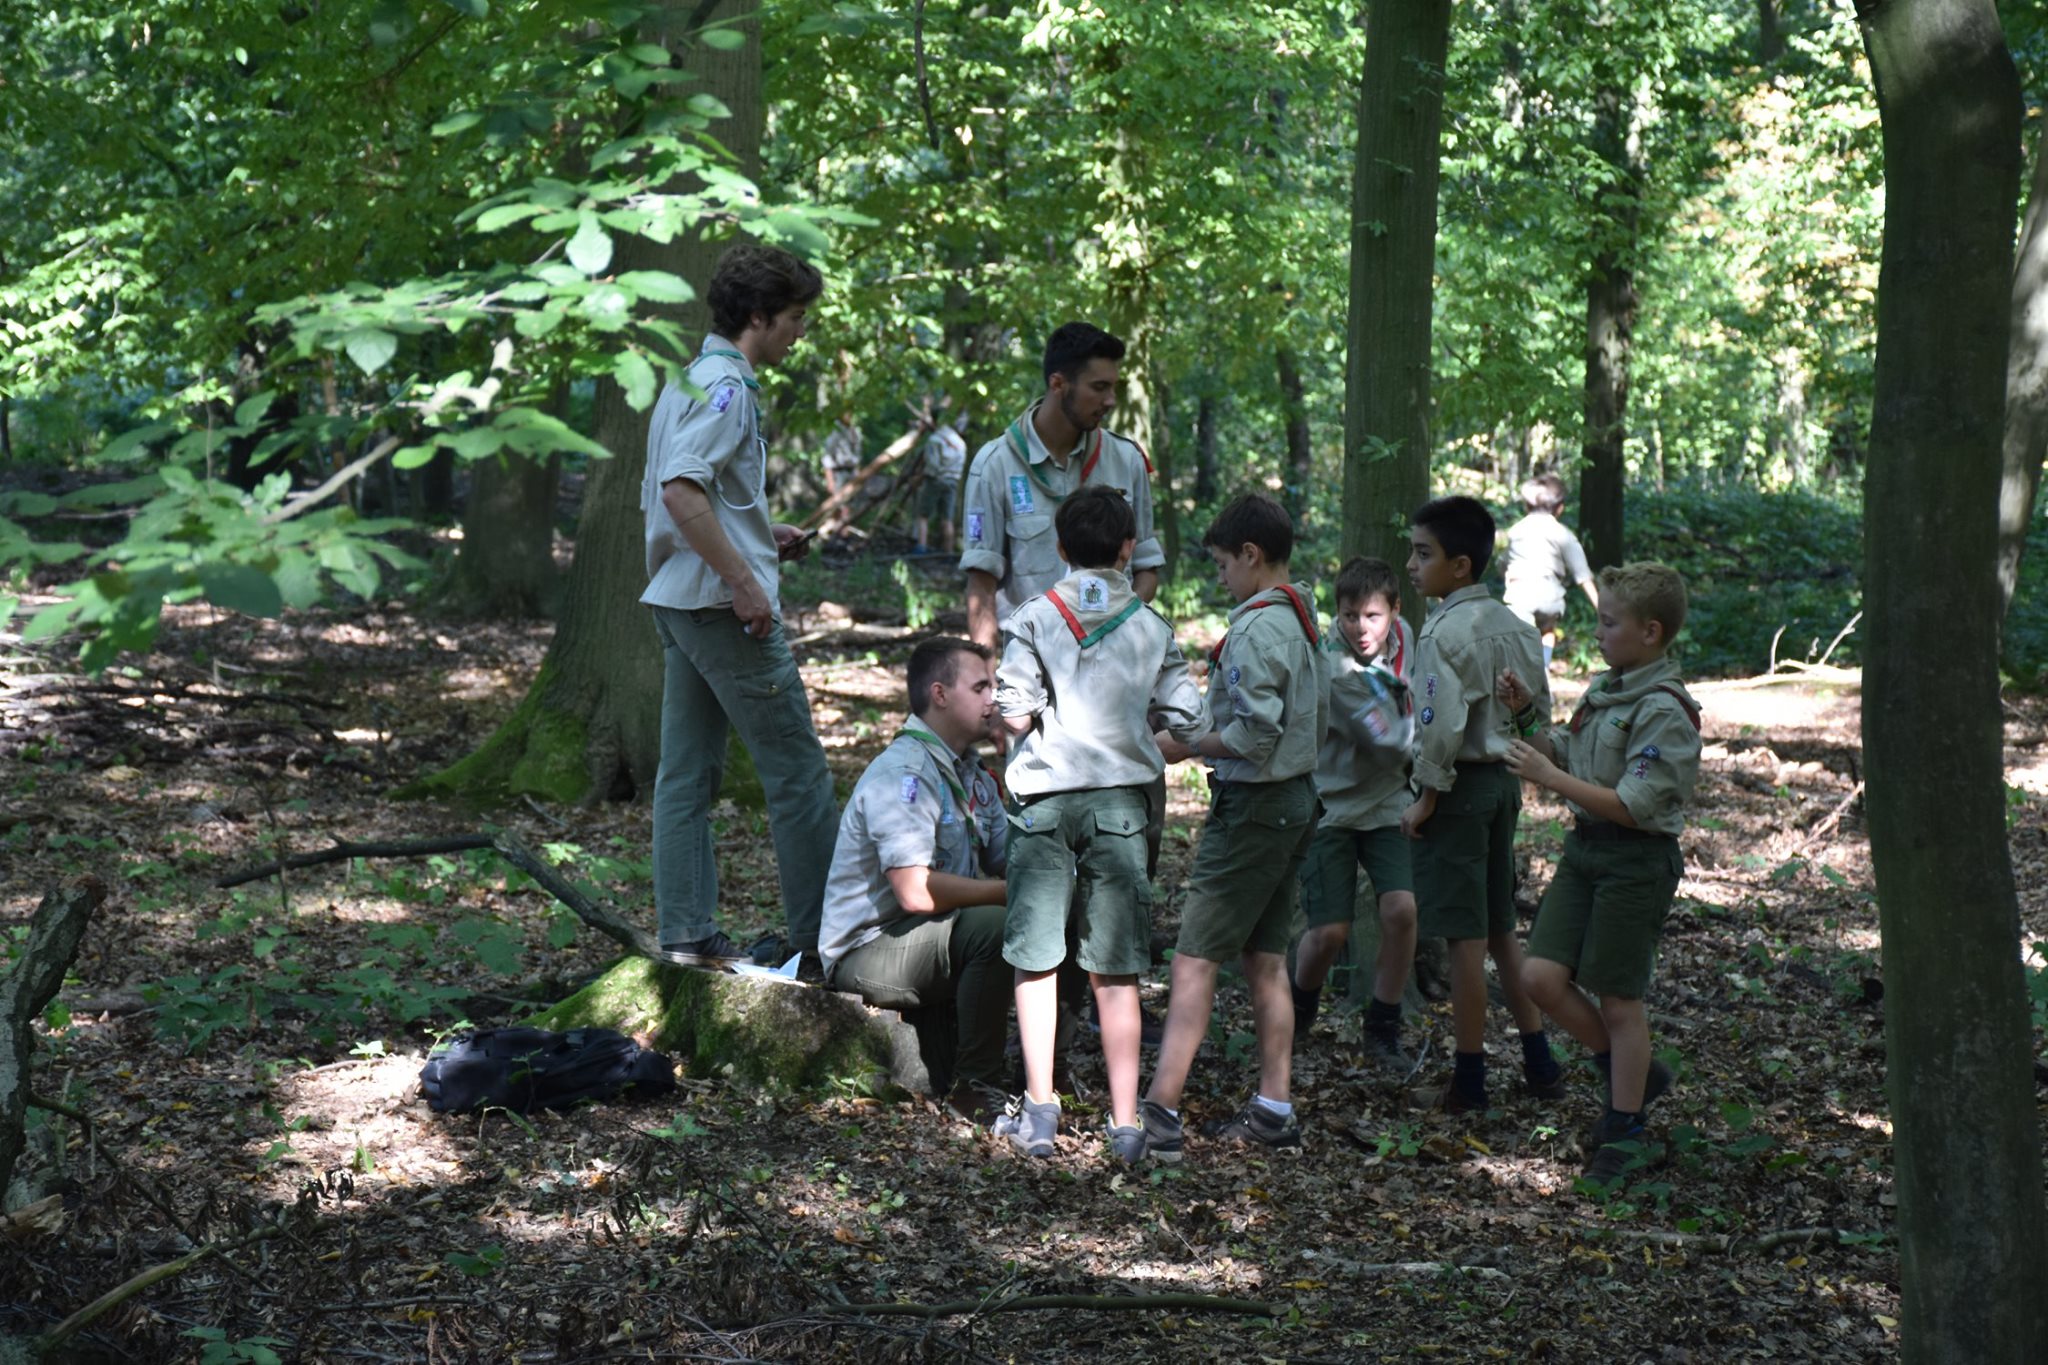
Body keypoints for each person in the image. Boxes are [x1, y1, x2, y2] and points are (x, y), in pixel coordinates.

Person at [639, 242, 839, 963]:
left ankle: (686, 931)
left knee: (687, 771)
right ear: (758, 316)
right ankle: (826, 944)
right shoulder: (727, 387)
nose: (799, 332)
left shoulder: (689, 379)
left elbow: (695, 494)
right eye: (794, 317)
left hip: (680, 598)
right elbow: (681, 488)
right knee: (798, 772)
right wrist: (743, 579)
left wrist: (757, 535)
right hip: (720, 608)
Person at [991, 486, 1202, 1164]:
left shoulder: (1034, 616)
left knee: (1037, 959)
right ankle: (1124, 1122)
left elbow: (1016, 713)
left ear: (1058, 548)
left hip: (1046, 804)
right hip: (1120, 808)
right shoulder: (1150, 625)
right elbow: (1190, 719)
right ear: (1126, 548)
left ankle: (1041, 1108)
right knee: (1117, 967)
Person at [1496, 562, 1701, 1188]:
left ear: (1651, 632)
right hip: (1586, 851)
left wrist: (1547, 777)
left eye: (1610, 623)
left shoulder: (1665, 710)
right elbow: (1569, 751)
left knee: (1619, 1001)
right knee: (1539, 976)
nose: (1598, 633)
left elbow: (1633, 803)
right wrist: (1529, 717)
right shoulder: (1607, 688)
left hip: (1634, 861)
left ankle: (1626, 1129)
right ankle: (1631, 1076)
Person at [1140, 493, 1328, 1161]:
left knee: (1194, 958)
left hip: (1254, 808)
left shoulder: (1255, 629)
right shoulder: (1304, 618)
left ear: (1251, 555)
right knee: (1264, 956)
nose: (1220, 576)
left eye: (1223, 563)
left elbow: (1253, 732)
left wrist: (1185, 743)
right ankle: (1274, 1108)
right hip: (1294, 800)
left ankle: (1159, 1115)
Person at [1401, 495, 1564, 1112]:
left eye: (1424, 554)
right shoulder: (1520, 629)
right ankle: (1539, 1061)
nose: (1413, 566)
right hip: (1503, 787)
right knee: (1500, 931)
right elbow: (1535, 717)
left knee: (1465, 942)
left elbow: (1440, 726)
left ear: (1461, 565)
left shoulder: (1444, 630)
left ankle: (1469, 1081)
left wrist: (1426, 797)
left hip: (1462, 792)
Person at [818, 637, 1012, 1125]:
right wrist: (1010, 893)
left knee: (1062, 905)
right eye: (982, 686)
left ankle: (1050, 1070)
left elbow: (1011, 856)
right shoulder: (903, 774)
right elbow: (913, 889)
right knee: (996, 925)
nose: (995, 698)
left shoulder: (972, 773)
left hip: (929, 936)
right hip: (868, 947)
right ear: (940, 694)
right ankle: (975, 1089)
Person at [1289, 556, 1421, 1072]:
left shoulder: (1407, 638)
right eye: (1348, 616)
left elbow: (1425, 699)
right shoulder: (1332, 665)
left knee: (1402, 911)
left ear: (1394, 611)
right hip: (1334, 806)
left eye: (1371, 616)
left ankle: (1383, 1028)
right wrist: (1438, 739)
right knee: (1329, 933)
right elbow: (1387, 740)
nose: (1360, 629)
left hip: (1390, 804)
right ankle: (1299, 1012)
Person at [1500, 473, 1598, 671]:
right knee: (1547, 631)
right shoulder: (1562, 533)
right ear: (1560, 508)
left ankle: (1520, 675)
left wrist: (1506, 575)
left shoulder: (1516, 531)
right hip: (1549, 597)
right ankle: (1543, 669)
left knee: (1519, 640)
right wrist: (1600, 607)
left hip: (1519, 594)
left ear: (1526, 506)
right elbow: (1583, 574)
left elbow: (1502, 563)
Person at [913, 409, 967, 556]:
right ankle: (948, 552)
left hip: (936, 480)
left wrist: (920, 477)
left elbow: (932, 466)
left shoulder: (935, 440)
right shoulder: (960, 442)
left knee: (923, 514)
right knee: (947, 518)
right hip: (953, 481)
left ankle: (921, 547)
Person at [822, 410, 863, 530]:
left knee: (851, 502)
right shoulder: (835, 431)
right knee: (838, 503)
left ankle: (845, 531)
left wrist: (858, 473)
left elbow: (857, 455)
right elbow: (827, 456)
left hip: (852, 471)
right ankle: (834, 531)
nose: (849, 416)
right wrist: (830, 479)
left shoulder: (855, 431)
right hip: (838, 472)